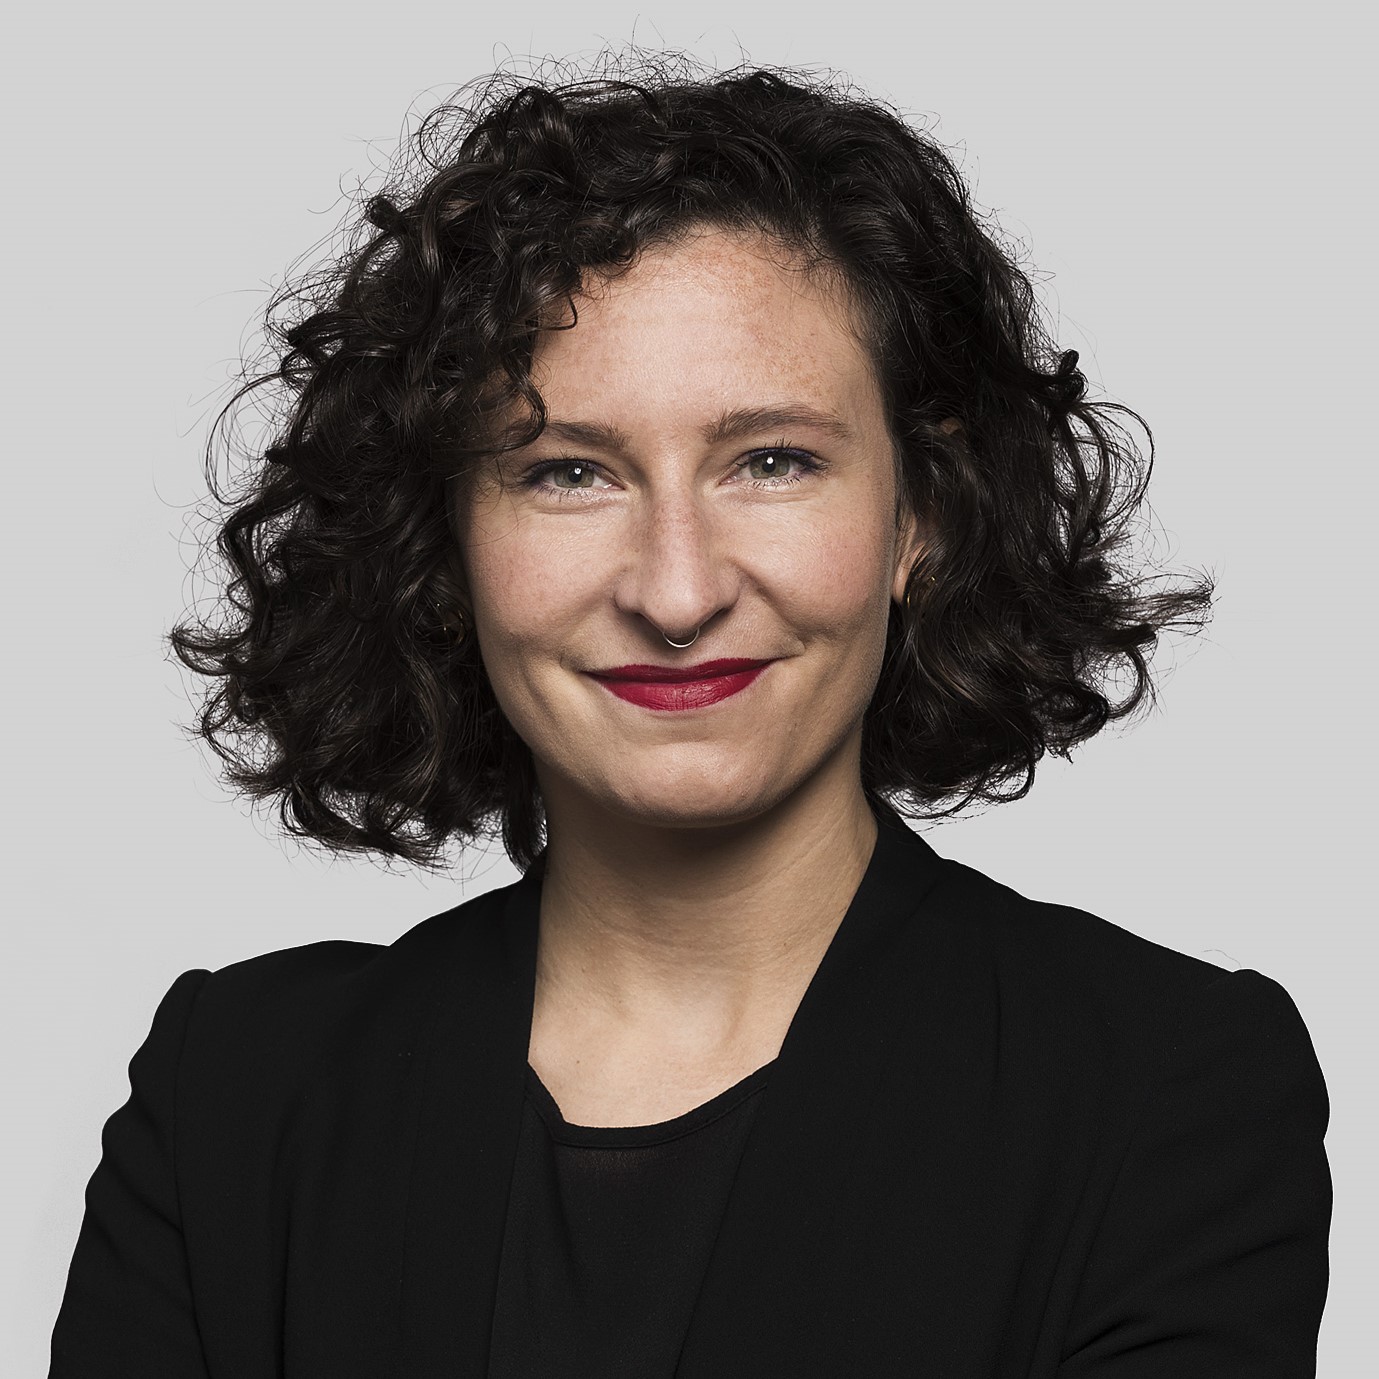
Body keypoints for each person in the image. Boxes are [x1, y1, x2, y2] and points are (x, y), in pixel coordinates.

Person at [49, 55, 1331, 1377]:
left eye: (772, 461)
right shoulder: (235, 1100)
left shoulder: (1166, 1092)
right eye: (568, 472)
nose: (676, 591)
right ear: (446, 546)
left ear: (923, 516)